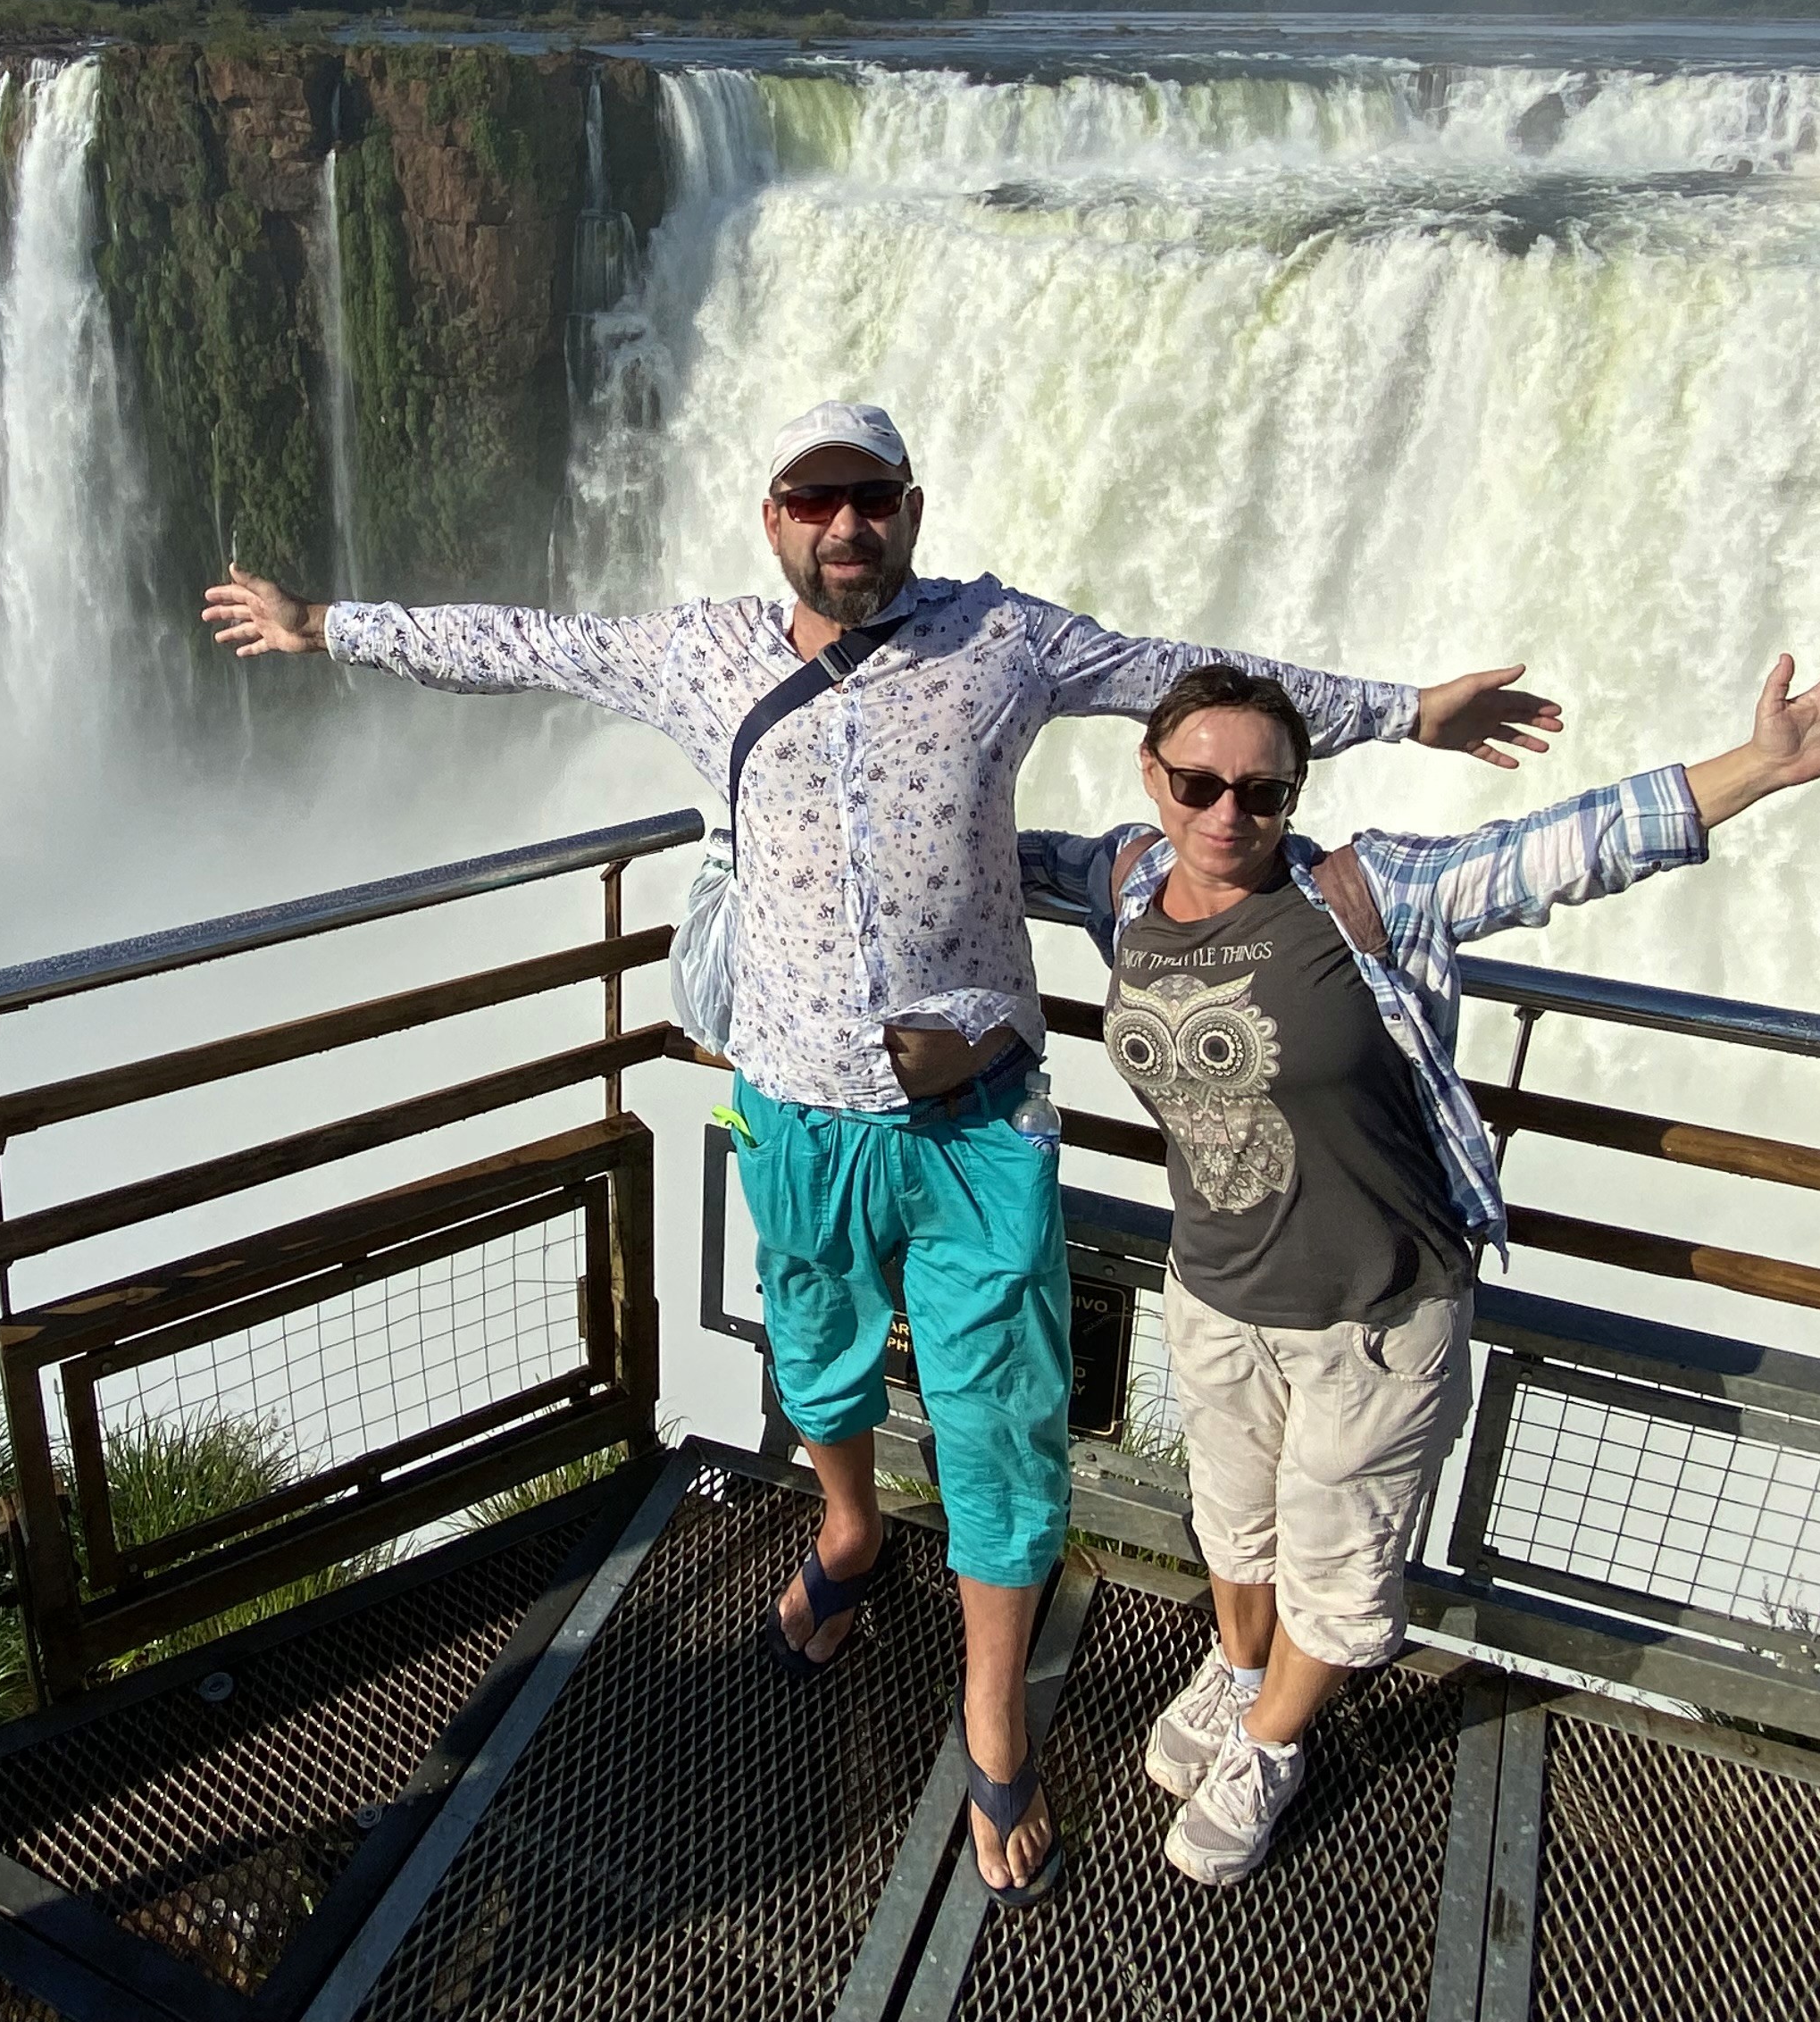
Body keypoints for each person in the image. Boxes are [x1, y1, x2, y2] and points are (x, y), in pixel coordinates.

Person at [203, 400, 1562, 1904]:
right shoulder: (699, 653)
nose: (847, 526)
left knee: (1000, 1419)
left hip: (978, 1121)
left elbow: (1199, 686)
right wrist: (323, 623)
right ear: (773, 516)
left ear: (911, 510)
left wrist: (1399, 711)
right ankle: (849, 1530)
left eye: (876, 499)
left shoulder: (1006, 640)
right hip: (792, 1110)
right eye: (815, 500)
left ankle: (992, 1715)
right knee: (821, 1363)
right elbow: (522, 643)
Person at [1020, 639, 1820, 1887]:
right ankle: (1233, 1676)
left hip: (1376, 1315)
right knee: (1231, 1517)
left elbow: (1565, 846)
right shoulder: (1122, 880)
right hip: (1216, 1294)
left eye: (1263, 793)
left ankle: (1277, 1741)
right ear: (1152, 776)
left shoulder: (1360, 894)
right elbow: (970, 849)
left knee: (1338, 1553)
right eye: (1198, 785)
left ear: (1295, 795)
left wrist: (1757, 768)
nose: (1227, 814)